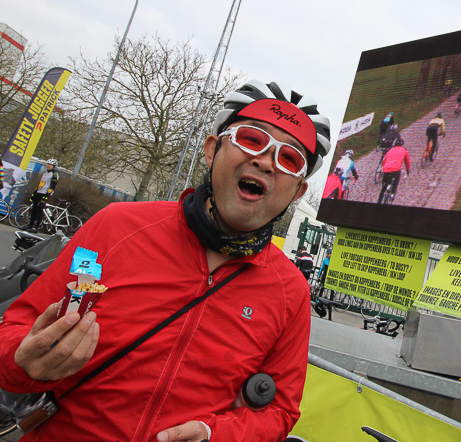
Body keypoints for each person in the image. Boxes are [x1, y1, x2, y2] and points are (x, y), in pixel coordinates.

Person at [0, 80, 331, 442]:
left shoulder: (291, 291)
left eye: (289, 159)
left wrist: (213, 435)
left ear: (297, 192)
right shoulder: (116, 228)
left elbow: (280, 412)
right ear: (212, 150)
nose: (266, 161)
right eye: (252, 139)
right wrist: (23, 359)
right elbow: (16, 329)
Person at [25, 159, 59, 232]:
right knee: (34, 209)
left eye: (50, 165)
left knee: (40, 210)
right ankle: (30, 225)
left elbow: (53, 186)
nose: (48, 165)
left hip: (44, 193)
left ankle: (36, 227)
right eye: (48, 164)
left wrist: (47, 195)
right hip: (39, 192)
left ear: (54, 166)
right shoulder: (45, 173)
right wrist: (34, 193)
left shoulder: (54, 174)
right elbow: (40, 184)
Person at [377, 138, 411, 205]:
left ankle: (379, 201)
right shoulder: (404, 150)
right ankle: (392, 194)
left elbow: (384, 161)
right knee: (395, 183)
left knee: (383, 188)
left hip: (386, 169)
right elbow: (407, 162)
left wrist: (384, 167)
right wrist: (407, 170)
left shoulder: (390, 150)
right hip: (396, 170)